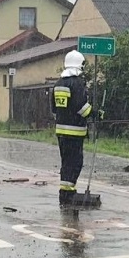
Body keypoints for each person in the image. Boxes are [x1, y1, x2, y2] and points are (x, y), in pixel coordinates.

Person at [51, 48, 92, 206]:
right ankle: (68, 193)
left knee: (66, 162)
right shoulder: (77, 83)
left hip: (61, 131)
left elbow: (54, 108)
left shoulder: (59, 83)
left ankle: (65, 192)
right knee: (75, 163)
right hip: (75, 131)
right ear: (79, 65)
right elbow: (82, 108)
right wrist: (95, 113)